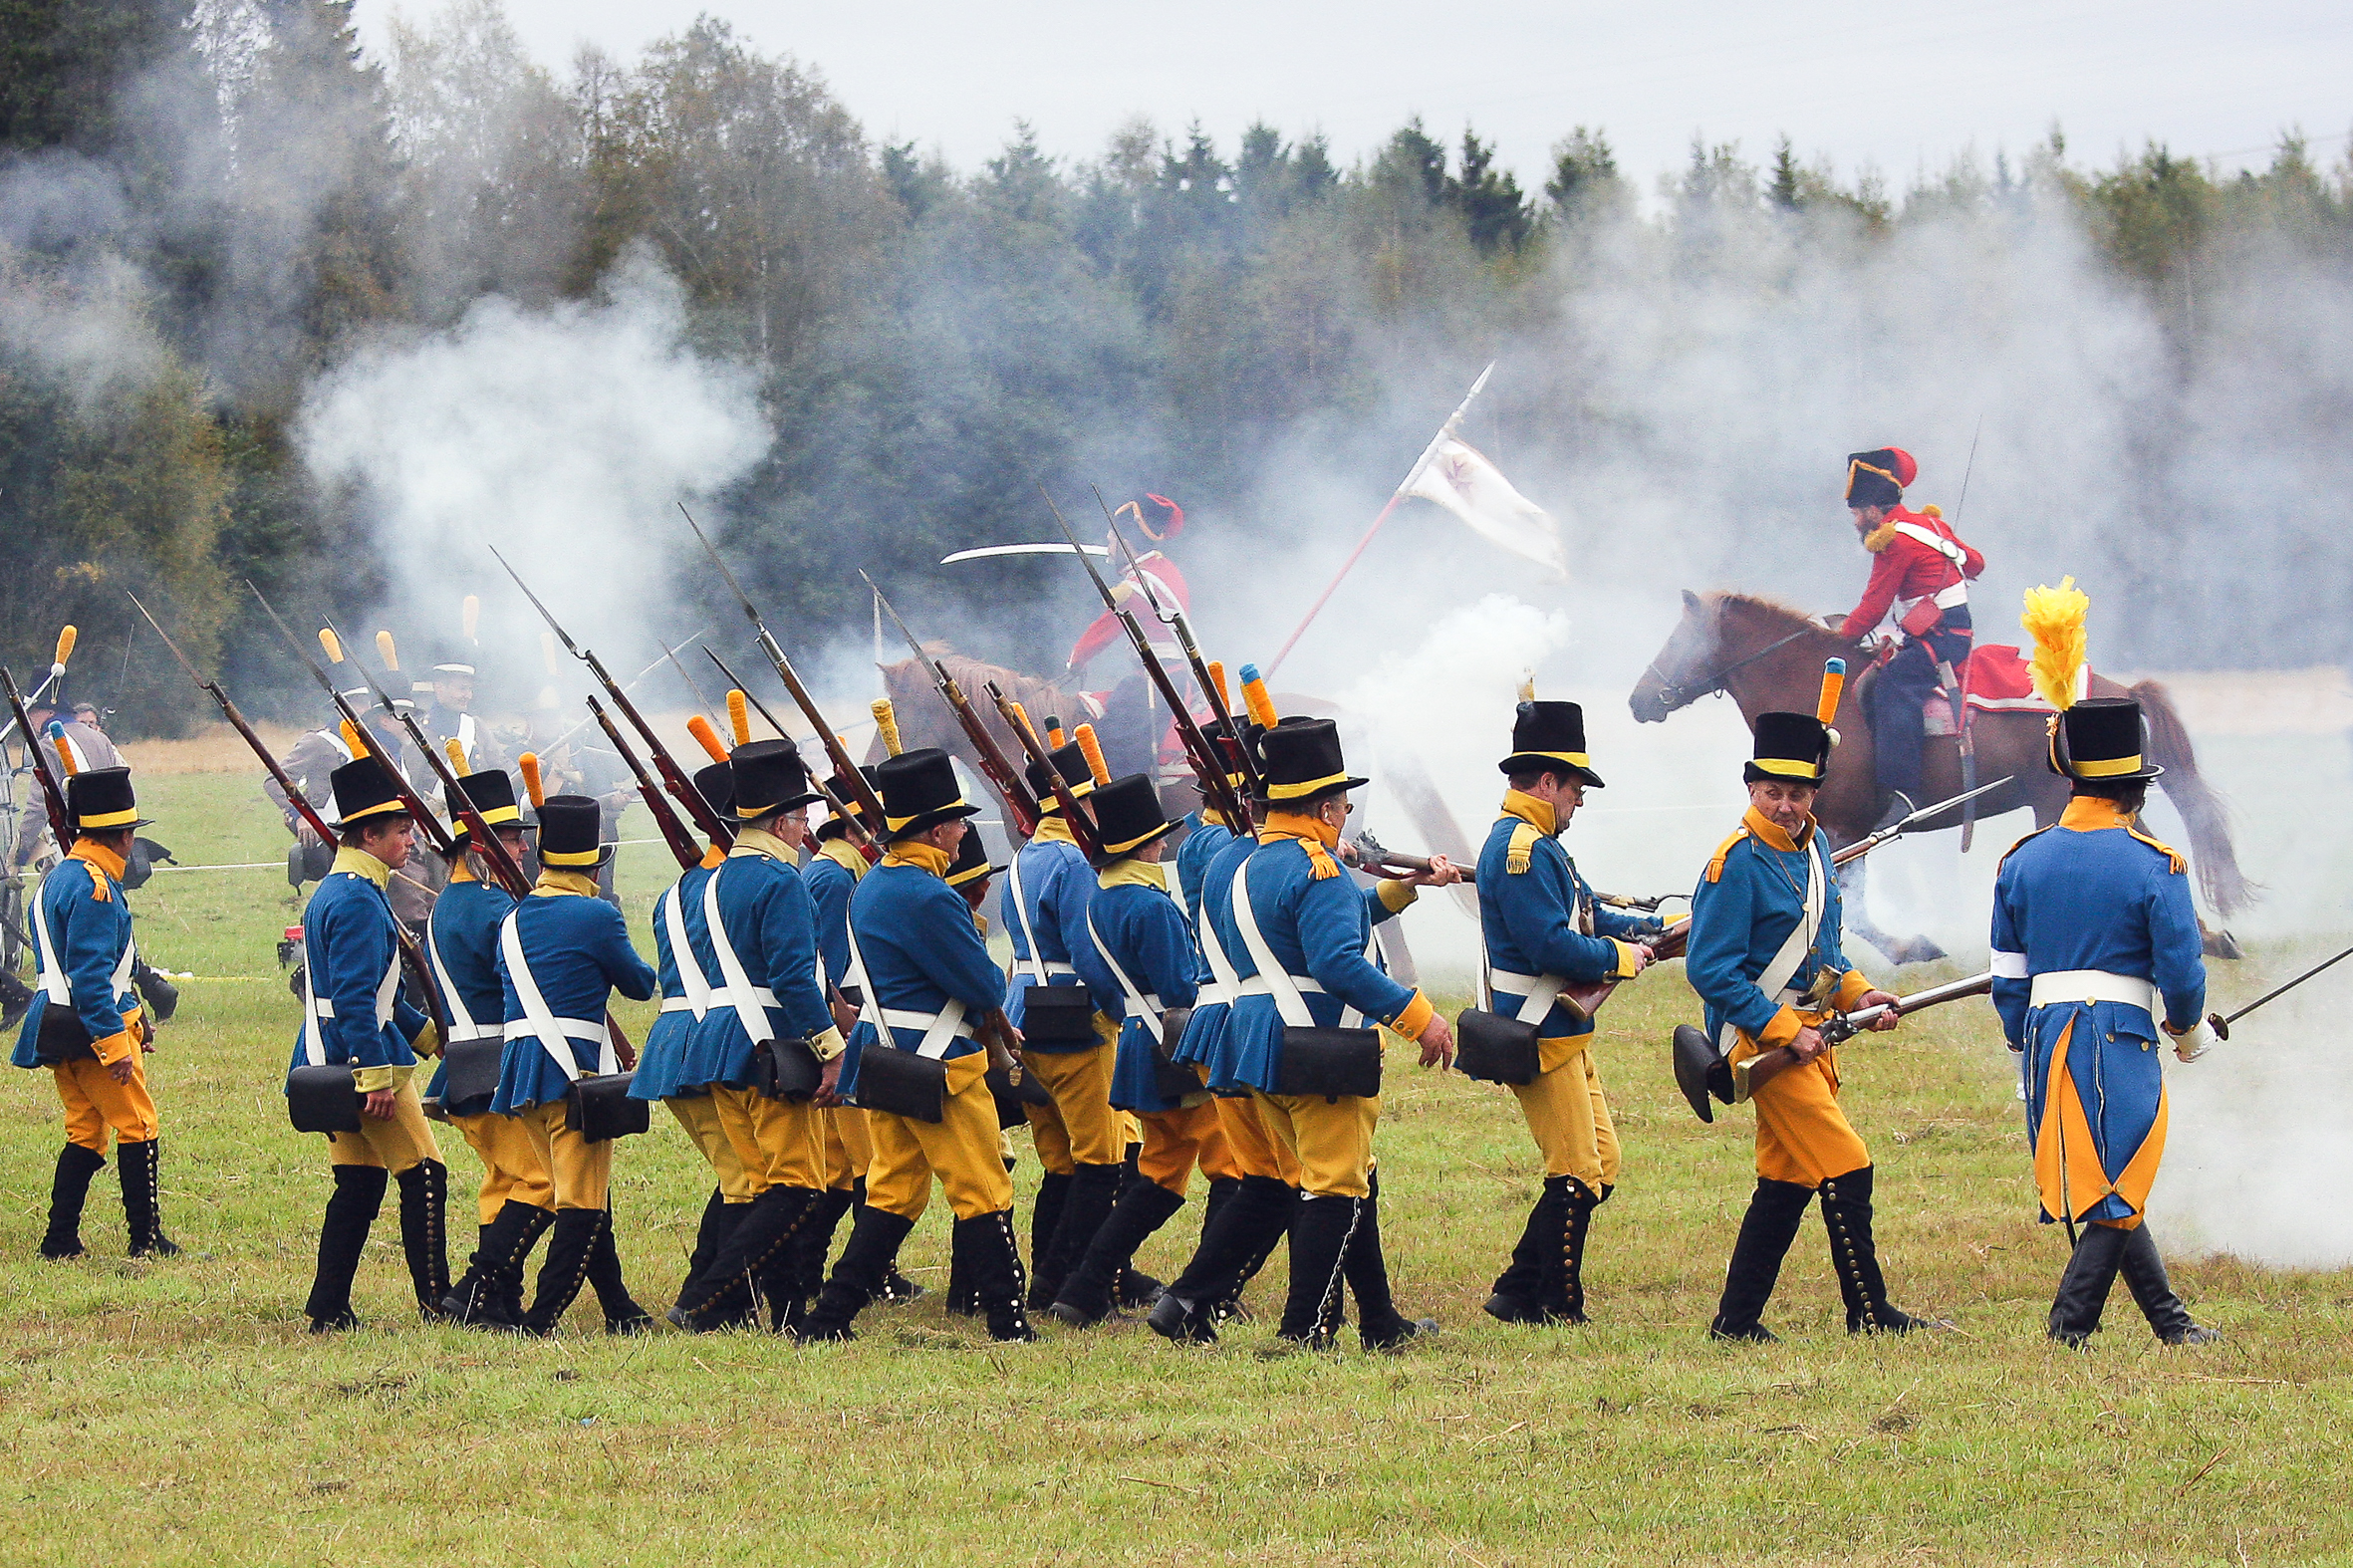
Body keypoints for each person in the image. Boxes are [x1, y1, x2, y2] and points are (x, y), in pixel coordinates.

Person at [1158, 716, 1457, 1353]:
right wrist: (1418, 1016)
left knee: (1345, 1177)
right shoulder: (1316, 869)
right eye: (1343, 803)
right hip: (1316, 1047)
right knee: (1335, 1188)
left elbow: (1314, 927)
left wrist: (1402, 890)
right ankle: (1306, 1330)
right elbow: (1336, 960)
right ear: (1324, 806)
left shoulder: (1241, 866)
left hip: (1259, 1049)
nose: (1347, 813)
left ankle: (1378, 1323)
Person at [1687, 696, 1919, 1342]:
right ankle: (1869, 1313)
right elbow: (1711, 971)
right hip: (1763, 1045)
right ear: (1751, 788)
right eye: (1772, 792)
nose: (1785, 805)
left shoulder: (1813, 854)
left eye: (1797, 792)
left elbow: (1827, 957)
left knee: (1786, 1182)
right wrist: (1788, 1031)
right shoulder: (1733, 864)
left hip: (1810, 1042)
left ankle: (1735, 1323)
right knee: (1848, 1164)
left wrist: (1860, 996)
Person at [1993, 688, 2220, 1347]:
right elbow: (2180, 974)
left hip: (2043, 1036)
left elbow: (2008, 979)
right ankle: (2069, 1326)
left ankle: (2172, 1325)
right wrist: (2189, 1032)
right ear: (2136, 791)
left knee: (2107, 1183)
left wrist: (2022, 1049)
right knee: (2122, 1180)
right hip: (2115, 1038)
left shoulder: (2020, 860)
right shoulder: (2157, 866)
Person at [798, 747, 1032, 1343]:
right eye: (957, 821)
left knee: (893, 1192)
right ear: (935, 829)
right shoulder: (930, 895)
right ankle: (1007, 1320)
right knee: (983, 1186)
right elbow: (981, 983)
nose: (963, 832)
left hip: (887, 1060)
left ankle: (829, 1318)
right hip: (939, 1065)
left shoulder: (876, 883)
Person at [1474, 698, 1663, 1327]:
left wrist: (1657, 926)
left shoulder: (1541, 843)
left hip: (1562, 1029)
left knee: (1601, 1166)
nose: (1579, 800)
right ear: (1547, 781)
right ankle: (1553, 1302)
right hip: (1540, 1026)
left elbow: (1585, 911)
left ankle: (1518, 1287)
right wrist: (1623, 956)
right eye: (1575, 787)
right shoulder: (1522, 848)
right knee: (1576, 1170)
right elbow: (1551, 945)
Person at [667, 740, 846, 1332]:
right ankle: (709, 1301)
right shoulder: (779, 881)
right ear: (778, 821)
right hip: (769, 1046)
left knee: (755, 1189)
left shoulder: (708, 881)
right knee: (796, 1188)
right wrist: (831, 1051)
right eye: (801, 819)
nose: (806, 831)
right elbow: (794, 978)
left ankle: (788, 1311)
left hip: (721, 1044)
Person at [1049, 772, 1232, 1326]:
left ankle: (1082, 1291)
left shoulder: (1098, 901)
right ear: (1144, 845)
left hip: (1137, 1045)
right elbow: (1179, 985)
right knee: (1235, 1172)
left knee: (1157, 1177)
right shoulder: (1149, 906)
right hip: (1178, 1049)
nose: (1163, 845)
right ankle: (1210, 1292)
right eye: (1158, 838)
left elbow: (1104, 986)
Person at [488, 793, 658, 1336]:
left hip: (523, 1073)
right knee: (582, 1206)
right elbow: (638, 984)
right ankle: (539, 1320)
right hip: (573, 1072)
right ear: (593, 862)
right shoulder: (596, 914)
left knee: (581, 1195)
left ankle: (619, 1309)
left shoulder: (512, 920)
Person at [291, 757, 450, 1332]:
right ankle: (437, 1301)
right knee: (427, 1174)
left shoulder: (345, 889)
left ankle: (328, 1307)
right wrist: (376, 1077)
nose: (411, 840)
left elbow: (378, 995)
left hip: (335, 1055)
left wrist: (430, 1037)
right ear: (368, 835)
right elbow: (357, 1000)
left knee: (358, 1186)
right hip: (362, 1061)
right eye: (401, 832)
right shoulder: (358, 899)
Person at [425, 766, 566, 1329]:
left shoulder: (448, 902)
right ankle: (474, 1288)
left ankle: (496, 1302)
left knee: (504, 1182)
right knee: (546, 1183)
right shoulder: (491, 908)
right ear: (478, 846)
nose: (520, 848)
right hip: (495, 1065)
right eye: (509, 838)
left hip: (465, 1065)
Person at [16, 765, 174, 1259]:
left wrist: (138, 1015)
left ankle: (59, 1238)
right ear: (124, 837)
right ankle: (145, 1241)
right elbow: (88, 975)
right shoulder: (96, 888)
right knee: (139, 1127)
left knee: (85, 1129)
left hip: (56, 1022)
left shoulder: (60, 877)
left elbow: (104, 971)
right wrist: (112, 1042)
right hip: (90, 1026)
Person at [633, 761, 760, 1332]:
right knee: (747, 1180)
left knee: (735, 1176)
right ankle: (709, 1302)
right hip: (723, 1044)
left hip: (675, 1045)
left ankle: (702, 1289)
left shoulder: (672, 893)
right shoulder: (738, 887)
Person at [1003, 737, 1122, 1311]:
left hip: (1024, 1011)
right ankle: (1065, 1283)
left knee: (1058, 1161)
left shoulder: (1024, 855)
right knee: (1100, 1159)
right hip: (1074, 1016)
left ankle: (1046, 1278)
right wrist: (1124, 1009)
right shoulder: (1073, 861)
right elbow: (1088, 946)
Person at [1836, 447, 1984, 828]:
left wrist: (1838, 640)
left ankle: (1904, 794)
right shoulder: (1931, 526)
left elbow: (1873, 608)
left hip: (1942, 638)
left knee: (1892, 687)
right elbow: (1976, 563)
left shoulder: (1893, 540)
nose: (1854, 520)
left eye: (1856, 512)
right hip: (1947, 632)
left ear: (1871, 509)